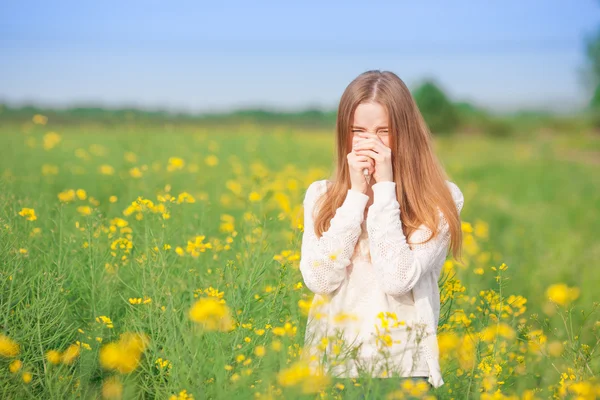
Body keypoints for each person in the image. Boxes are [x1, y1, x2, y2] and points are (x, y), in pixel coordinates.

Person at [298, 70, 464, 397]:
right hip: (331, 366)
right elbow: (318, 279)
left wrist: (385, 190)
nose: (369, 143)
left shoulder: (439, 199)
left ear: (405, 133)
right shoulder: (321, 195)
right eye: (357, 131)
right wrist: (355, 197)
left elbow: (397, 279)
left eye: (383, 132)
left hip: (403, 369)